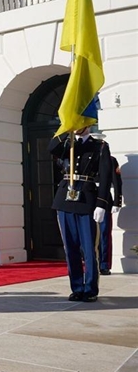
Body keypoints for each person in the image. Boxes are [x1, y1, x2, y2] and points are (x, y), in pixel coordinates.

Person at [49, 126, 111, 302]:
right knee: (71, 248)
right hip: (65, 198)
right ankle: (77, 287)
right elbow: (51, 148)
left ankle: (90, 289)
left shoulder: (100, 146)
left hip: (86, 199)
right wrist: (64, 128)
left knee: (90, 248)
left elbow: (106, 177)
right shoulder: (67, 144)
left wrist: (101, 204)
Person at [92, 132, 123, 276]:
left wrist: (117, 201)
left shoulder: (111, 160)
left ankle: (104, 264)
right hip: (88, 196)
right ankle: (91, 261)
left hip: (104, 198)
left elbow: (116, 182)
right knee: (88, 233)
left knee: (104, 233)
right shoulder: (87, 157)